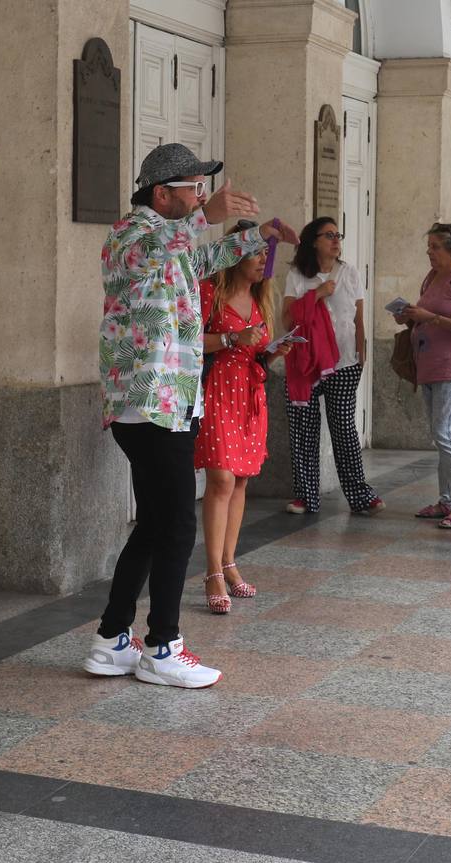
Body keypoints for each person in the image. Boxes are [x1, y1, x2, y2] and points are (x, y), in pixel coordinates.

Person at [88, 143, 297, 688]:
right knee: (178, 523)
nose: (202, 196)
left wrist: (260, 236)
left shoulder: (172, 243)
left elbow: (201, 259)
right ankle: (162, 646)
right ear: (162, 194)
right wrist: (209, 216)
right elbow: (157, 249)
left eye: (205, 189)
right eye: (193, 187)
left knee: (157, 524)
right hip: (149, 401)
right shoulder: (129, 236)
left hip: (170, 401)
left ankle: (112, 639)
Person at [197, 222, 293, 613]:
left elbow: (257, 353)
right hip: (218, 389)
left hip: (250, 396)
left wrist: (273, 352)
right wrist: (233, 339)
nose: (262, 261)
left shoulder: (260, 299)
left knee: (239, 481)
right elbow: (187, 338)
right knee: (220, 478)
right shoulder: (210, 293)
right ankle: (211, 573)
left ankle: (229, 563)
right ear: (234, 255)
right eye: (256, 253)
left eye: (265, 255)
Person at [282, 217, 383, 515]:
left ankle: (360, 495)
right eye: (329, 235)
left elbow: (359, 318)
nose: (336, 240)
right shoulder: (297, 274)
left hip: (345, 362)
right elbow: (286, 319)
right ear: (314, 241)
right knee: (304, 428)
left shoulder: (349, 272)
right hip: (306, 364)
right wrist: (316, 295)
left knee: (343, 429)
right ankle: (305, 496)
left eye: (338, 234)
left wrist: (361, 357)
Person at [395, 223, 451, 529]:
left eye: (434, 246)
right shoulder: (432, 276)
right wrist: (409, 315)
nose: (429, 252)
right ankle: (446, 500)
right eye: (429, 246)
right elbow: (426, 313)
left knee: (446, 433)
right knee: (438, 434)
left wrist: (430, 317)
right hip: (429, 363)